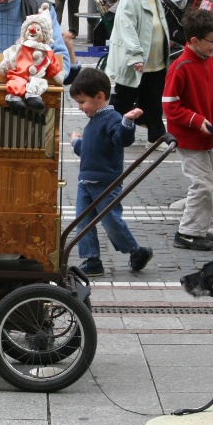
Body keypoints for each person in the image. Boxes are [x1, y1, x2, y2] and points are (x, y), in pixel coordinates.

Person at [68, 68, 154, 277]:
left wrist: (128, 122)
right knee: (83, 221)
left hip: (105, 181)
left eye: (82, 102)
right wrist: (76, 142)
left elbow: (122, 139)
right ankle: (92, 259)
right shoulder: (93, 122)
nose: (80, 107)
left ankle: (136, 251)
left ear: (99, 97)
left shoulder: (112, 118)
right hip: (86, 182)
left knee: (111, 220)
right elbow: (88, 149)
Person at [162, 9, 213, 251]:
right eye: (212, 41)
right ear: (194, 41)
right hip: (189, 138)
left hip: (212, 135)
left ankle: (198, 227)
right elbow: (170, 106)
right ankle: (188, 232)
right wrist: (197, 121)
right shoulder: (180, 67)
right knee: (203, 184)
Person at [105, 0, 171, 150]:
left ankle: (156, 136)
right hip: (137, 61)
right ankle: (108, 130)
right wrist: (135, 56)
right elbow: (127, 29)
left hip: (155, 60)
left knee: (153, 99)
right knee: (123, 98)